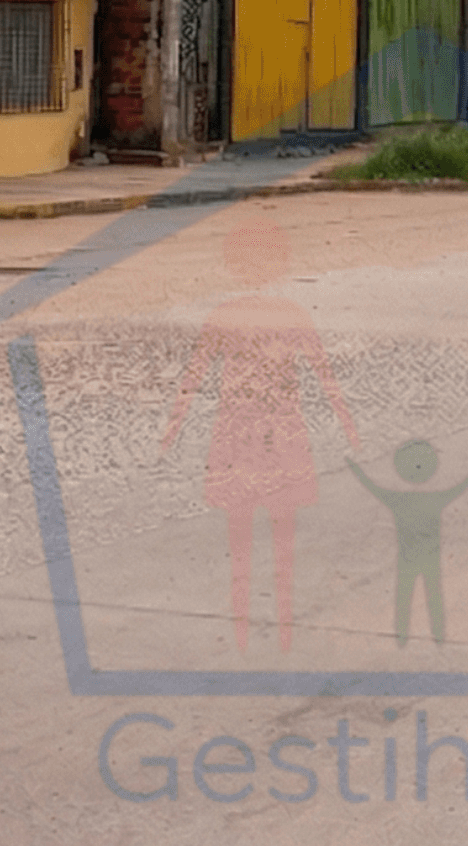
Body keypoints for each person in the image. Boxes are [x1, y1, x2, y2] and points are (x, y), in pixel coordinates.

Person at [160, 219, 361, 653]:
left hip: (243, 433)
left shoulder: (227, 315)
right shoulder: (289, 314)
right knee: (278, 538)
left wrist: (172, 430)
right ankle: (280, 634)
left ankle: (246, 634)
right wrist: (349, 426)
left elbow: (192, 380)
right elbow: (326, 378)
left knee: (243, 541)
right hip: (273, 433)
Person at [348, 439, 468, 648]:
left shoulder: (398, 500)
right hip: (430, 559)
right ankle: (438, 638)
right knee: (433, 597)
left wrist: (353, 466)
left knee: (404, 598)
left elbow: (372, 487)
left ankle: (402, 640)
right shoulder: (435, 499)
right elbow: (461, 487)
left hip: (407, 560)